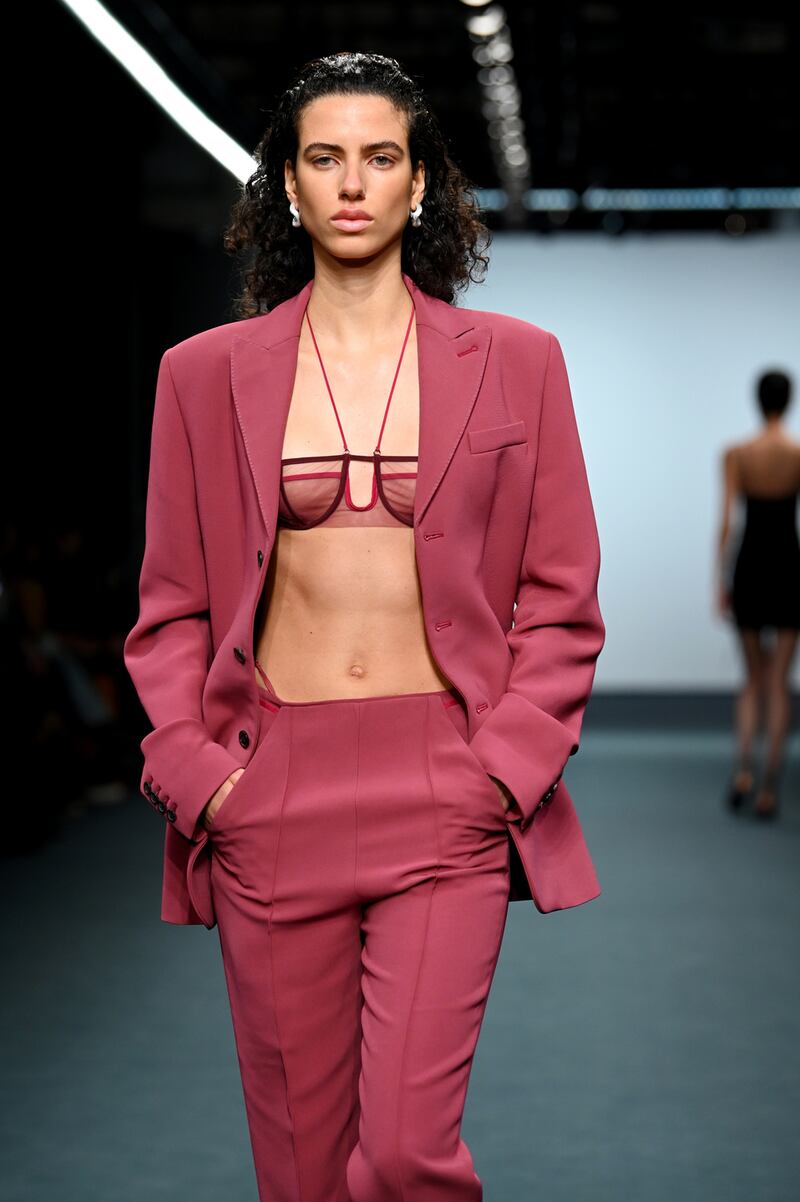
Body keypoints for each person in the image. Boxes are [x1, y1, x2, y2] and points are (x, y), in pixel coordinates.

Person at [123, 51, 605, 1202]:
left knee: (402, 1155)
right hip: (270, 788)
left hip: (444, 787)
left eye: (379, 158)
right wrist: (199, 776)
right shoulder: (201, 374)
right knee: (300, 1171)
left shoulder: (518, 365)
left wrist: (503, 769)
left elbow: (561, 594)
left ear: (419, 183)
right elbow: (170, 609)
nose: (351, 183)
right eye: (323, 158)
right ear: (286, 186)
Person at [717, 369, 800, 819]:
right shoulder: (797, 454)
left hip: (750, 565)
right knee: (779, 683)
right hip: (789, 565)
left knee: (750, 679)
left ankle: (743, 771)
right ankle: (769, 788)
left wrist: (720, 580)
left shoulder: (738, 454)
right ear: (788, 401)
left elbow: (728, 521)